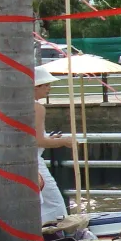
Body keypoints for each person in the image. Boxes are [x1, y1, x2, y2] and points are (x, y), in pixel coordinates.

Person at [32, 68, 77, 223]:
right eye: (46, 85)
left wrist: (49, 138)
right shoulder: (37, 108)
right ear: (36, 87)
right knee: (55, 203)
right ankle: (52, 230)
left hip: (22, 159)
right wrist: (64, 141)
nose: (49, 88)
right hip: (34, 162)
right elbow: (38, 141)